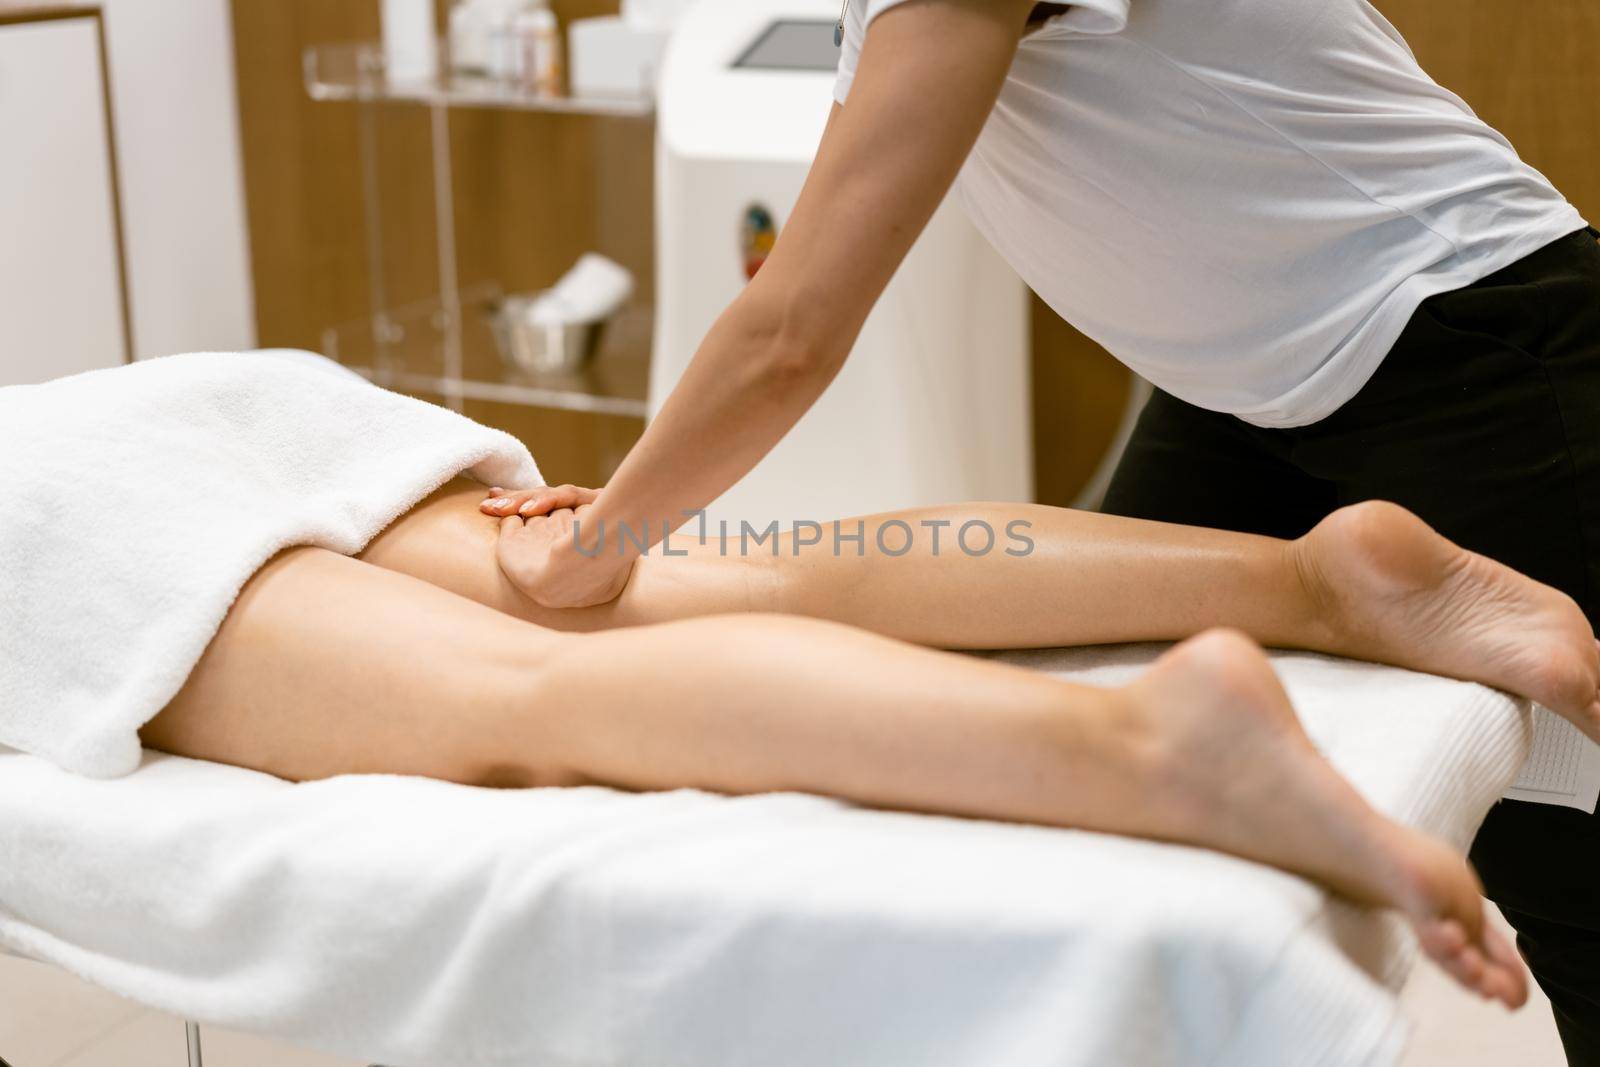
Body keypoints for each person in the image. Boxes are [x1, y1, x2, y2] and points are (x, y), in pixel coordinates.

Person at [475, 1, 1600, 1054]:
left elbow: (791, 331)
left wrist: (603, 537)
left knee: (1577, 891)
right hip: (1250, 394)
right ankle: (1337, 581)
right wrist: (621, 524)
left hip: (1480, 349)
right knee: (1115, 753)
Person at [145, 466, 1600, 1008]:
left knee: (513, 695)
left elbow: (793, 330)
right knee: (765, 568)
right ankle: (1308, 581)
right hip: (211, 431)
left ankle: (1146, 746)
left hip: (60, 533)